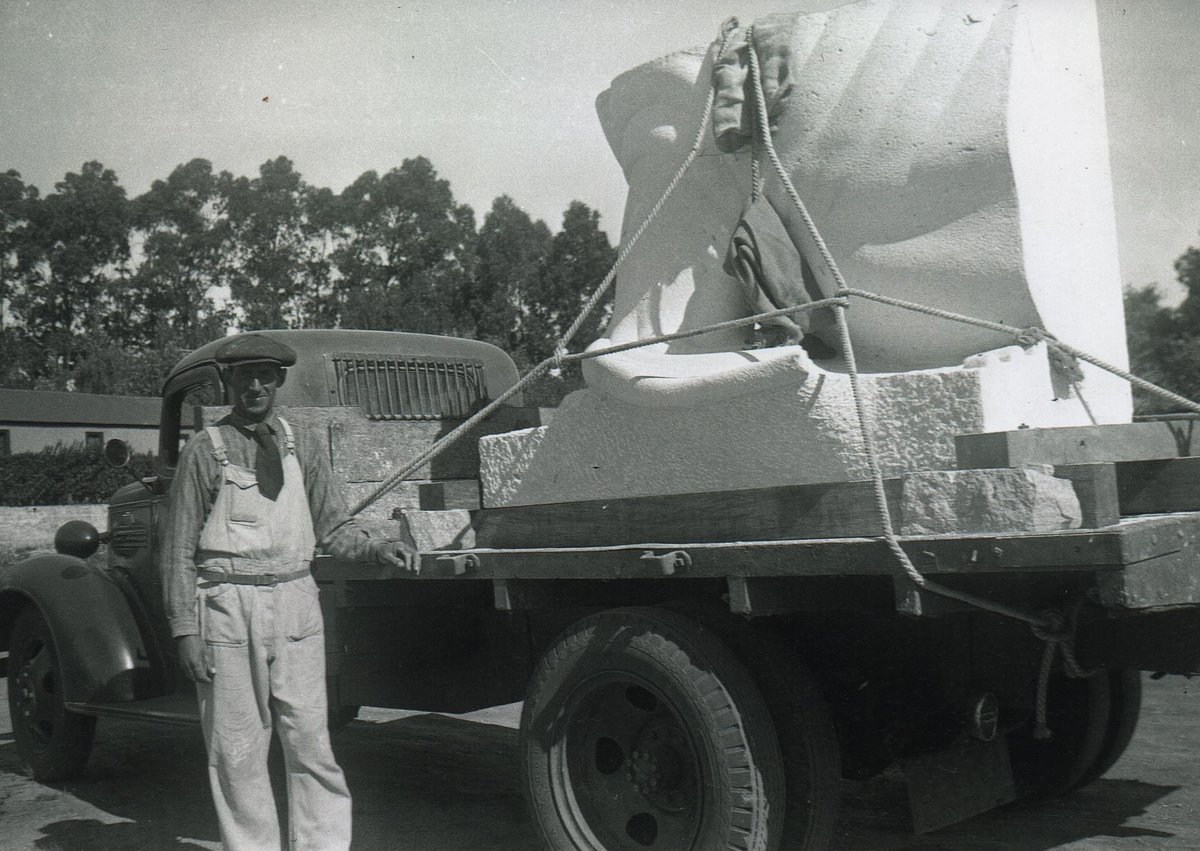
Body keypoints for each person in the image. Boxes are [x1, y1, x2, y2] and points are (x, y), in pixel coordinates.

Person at [161, 333, 417, 851]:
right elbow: (178, 549)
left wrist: (377, 547)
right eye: (244, 376)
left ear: (279, 380)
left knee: (311, 742)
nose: (255, 386)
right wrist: (186, 630)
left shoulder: (305, 444)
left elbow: (334, 528)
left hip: (297, 601)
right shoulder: (205, 450)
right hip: (228, 607)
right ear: (229, 382)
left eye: (265, 376)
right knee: (236, 750)